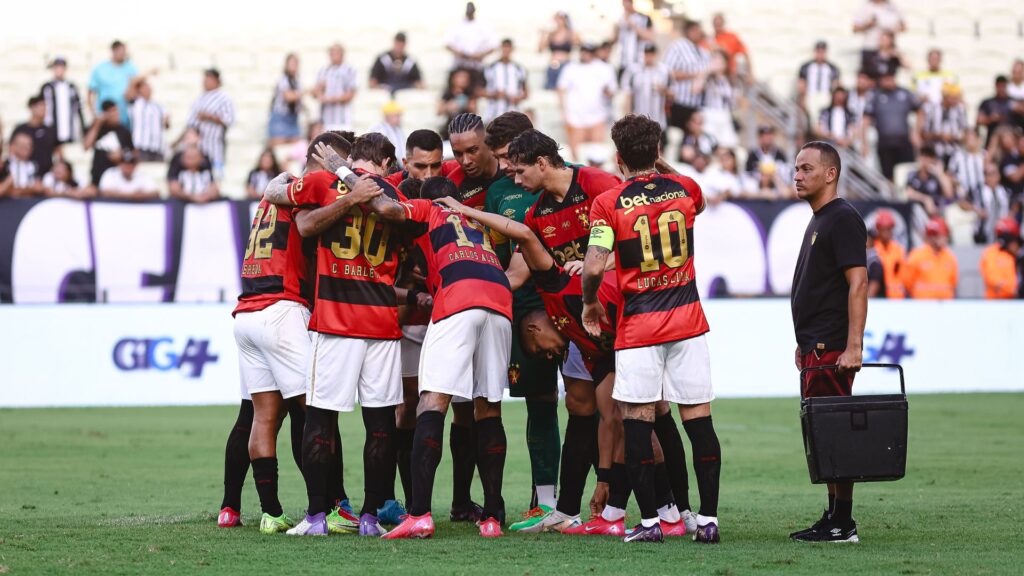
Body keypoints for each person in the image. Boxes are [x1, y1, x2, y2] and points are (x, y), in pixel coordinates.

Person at [582, 114, 720, 543]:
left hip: (640, 327)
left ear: (619, 158)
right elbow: (696, 195)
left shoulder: (608, 202)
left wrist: (589, 302)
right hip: (688, 320)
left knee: (638, 421)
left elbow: (592, 267)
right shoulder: (685, 190)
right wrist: (663, 167)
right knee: (698, 420)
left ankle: (649, 524)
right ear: (658, 152)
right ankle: (709, 520)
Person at [265, 133, 404, 537]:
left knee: (320, 421)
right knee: (380, 425)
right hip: (382, 322)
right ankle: (370, 518)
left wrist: (341, 191)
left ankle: (315, 518)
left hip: (336, 321)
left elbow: (299, 219)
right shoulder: (393, 192)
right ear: (385, 162)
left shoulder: (323, 182)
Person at [231, 133, 364, 535]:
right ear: (326, 159)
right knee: (316, 414)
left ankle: (270, 513)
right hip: (281, 310)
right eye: (345, 162)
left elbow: (278, 192)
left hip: (246, 313)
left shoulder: (270, 198)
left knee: (264, 416)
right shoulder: (317, 186)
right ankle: (329, 508)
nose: (349, 171)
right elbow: (311, 226)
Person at [365, 177, 511, 540]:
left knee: (432, 402)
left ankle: (419, 514)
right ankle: (492, 516)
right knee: (488, 406)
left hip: (458, 298)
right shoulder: (476, 220)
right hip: (499, 299)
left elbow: (387, 209)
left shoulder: (429, 208)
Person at [481, 112, 562, 527]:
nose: (505, 167)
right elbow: (505, 255)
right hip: (520, 305)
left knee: (599, 407)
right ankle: (544, 502)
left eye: (507, 157)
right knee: (539, 401)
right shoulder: (499, 192)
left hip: (560, 305)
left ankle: (625, 500)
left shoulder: (568, 183)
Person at [789, 140, 868, 543]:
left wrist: (854, 345)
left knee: (834, 432)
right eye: (796, 168)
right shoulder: (821, 218)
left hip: (832, 348)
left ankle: (843, 522)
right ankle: (835, 514)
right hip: (815, 348)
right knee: (822, 432)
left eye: (806, 168)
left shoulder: (842, 218)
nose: (797, 175)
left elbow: (858, 283)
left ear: (830, 173)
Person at [557, 43, 617, 161]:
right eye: (583, 51)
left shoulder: (604, 68)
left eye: (588, 51)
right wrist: (563, 111)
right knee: (576, 156)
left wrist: (607, 92)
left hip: (597, 115)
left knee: (597, 153)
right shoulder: (571, 68)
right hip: (575, 116)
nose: (585, 54)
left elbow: (612, 90)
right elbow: (561, 89)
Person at [863, 71, 922, 181]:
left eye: (889, 78)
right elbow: (866, 119)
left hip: (904, 141)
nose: (887, 82)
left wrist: (916, 132)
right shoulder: (875, 95)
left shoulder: (905, 93)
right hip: (885, 142)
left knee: (906, 171)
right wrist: (864, 143)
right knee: (887, 175)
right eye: (885, 79)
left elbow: (920, 110)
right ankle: (891, 197)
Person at [446, 113, 503, 209]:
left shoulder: (514, 172)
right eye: (458, 154)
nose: (466, 161)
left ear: (488, 143)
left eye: (472, 150)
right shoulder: (452, 185)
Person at [665, 20, 710, 141]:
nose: (699, 33)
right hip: (679, 102)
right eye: (696, 30)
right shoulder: (678, 46)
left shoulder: (702, 50)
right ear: (688, 31)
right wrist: (694, 75)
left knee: (692, 140)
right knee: (676, 137)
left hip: (696, 104)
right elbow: (668, 72)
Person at [185, 69, 235, 173]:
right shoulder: (199, 98)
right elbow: (190, 124)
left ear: (217, 81)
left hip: (214, 145)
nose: (205, 82)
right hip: (197, 147)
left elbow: (229, 120)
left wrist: (210, 117)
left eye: (209, 79)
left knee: (215, 173)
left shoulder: (224, 98)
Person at [621, 45, 671, 145]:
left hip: (658, 119)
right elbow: (628, 95)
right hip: (638, 118)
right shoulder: (633, 70)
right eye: (646, 54)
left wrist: (664, 90)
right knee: (639, 148)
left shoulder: (665, 71)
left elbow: (673, 94)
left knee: (657, 150)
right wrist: (628, 119)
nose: (649, 57)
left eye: (651, 54)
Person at [445, 1, 498, 90]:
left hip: (476, 67)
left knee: (476, 92)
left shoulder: (483, 25)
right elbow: (447, 43)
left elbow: (494, 45)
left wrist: (480, 55)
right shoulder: (457, 25)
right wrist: (460, 53)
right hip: (460, 66)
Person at [901, 217, 958, 299]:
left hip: (944, 307)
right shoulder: (917, 256)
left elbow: (953, 283)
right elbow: (907, 283)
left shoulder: (950, 257)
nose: (945, 239)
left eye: (946, 235)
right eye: (942, 235)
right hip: (922, 306)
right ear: (933, 236)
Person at [87, 40, 138, 125]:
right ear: (113, 51)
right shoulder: (100, 69)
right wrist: (93, 113)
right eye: (120, 51)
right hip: (105, 117)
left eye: (124, 51)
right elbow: (90, 92)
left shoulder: (131, 68)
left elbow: (136, 89)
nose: (123, 54)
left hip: (125, 119)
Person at [83, 100, 133, 187]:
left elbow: (133, 152)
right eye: (113, 111)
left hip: (117, 176)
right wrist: (97, 124)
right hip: (98, 173)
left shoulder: (124, 131)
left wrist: (121, 155)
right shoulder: (97, 128)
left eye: (117, 111)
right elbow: (86, 146)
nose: (117, 114)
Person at [40, 56, 86, 145]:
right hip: (51, 131)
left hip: (69, 131)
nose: (59, 70)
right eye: (56, 67)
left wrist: (82, 129)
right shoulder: (47, 87)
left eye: (61, 67)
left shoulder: (71, 87)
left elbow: (78, 108)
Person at [921, 83, 967, 167]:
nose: (956, 100)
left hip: (955, 152)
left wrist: (954, 137)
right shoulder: (931, 109)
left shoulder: (960, 110)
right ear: (945, 97)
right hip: (935, 152)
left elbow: (965, 133)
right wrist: (939, 136)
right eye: (953, 97)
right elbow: (924, 134)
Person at [852, 0, 906, 72]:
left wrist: (894, 29)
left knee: (888, 79)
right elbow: (855, 28)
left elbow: (904, 26)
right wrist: (868, 24)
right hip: (870, 49)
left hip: (888, 50)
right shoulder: (865, 7)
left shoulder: (893, 6)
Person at [314, 44, 358, 131]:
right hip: (326, 119)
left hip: (343, 120)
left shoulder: (349, 70)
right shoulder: (323, 70)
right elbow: (316, 93)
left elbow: (350, 95)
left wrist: (330, 99)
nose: (333, 55)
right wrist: (319, 89)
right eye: (332, 53)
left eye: (336, 52)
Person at [125, 75, 168, 161]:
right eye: (144, 87)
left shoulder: (159, 106)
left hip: (157, 147)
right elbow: (132, 85)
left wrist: (166, 121)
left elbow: (166, 125)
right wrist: (151, 72)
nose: (147, 89)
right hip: (141, 147)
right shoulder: (136, 103)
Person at [483, 39, 528, 122]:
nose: (506, 50)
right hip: (494, 113)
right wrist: (494, 94)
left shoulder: (519, 69)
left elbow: (526, 93)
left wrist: (517, 98)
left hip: (513, 113)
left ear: (512, 49)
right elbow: (480, 91)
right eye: (504, 48)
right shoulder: (490, 68)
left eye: (508, 48)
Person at [12, 95, 57, 175]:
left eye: (45, 106)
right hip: (25, 173)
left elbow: (58, 151)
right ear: (32, 108)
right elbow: (11, 151)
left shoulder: (50, 130)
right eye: (40, 106)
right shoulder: (21, 129)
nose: (44, 109)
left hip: (47, 174)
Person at [905, 145, 954, 218]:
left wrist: (940, 174)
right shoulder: (912, 174)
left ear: (932, 159)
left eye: (928, 157)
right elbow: (909, 193)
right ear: (918, 157)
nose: (925, 160)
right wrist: (926, 199)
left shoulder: (936, 177)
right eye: (923, 156)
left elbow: (949, 195)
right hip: (916, 211)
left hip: (936, 211)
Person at [980, 218, 1022, 299]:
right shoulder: (991, 253)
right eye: (1014, 241)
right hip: (997, 301)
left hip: (1016, 300)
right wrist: (1013, 289)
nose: (1016, 245)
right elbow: (993, 279)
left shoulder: (1017, 256)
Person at [610, 0, 654, 78]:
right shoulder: (621, 18)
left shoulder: (643, 18)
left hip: (638, 61)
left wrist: (632, 25)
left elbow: (650, 36)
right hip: (623, 61)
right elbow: (615, 39)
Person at [268, 54, 303, 146]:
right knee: (278, 148)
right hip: (281, 118)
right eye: (291, 63)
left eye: (295, 64)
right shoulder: (283, 80)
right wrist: (306, 92)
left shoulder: (296, 81)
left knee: (296, 148)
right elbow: (289, 97)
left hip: (293, 119)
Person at [798, 41, 841, 116]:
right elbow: (802, 84)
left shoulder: (832, 68)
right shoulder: (806, 67)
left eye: (822, 52)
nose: (820, 55)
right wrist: (802, 98)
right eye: (818, 52)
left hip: (826, 95)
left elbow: (836, 85)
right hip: (811, 94)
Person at [539, 11, 579, 90]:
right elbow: (540, 49)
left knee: (566, 88)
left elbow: (579, 43)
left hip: (565, 64)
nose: (559, 21)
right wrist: (544, 34)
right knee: (550, 88)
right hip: (553, 64)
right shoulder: (551, 34)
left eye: (561, 19)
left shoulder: (571, 33)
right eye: (557, 19)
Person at [872, 210, 906, 299]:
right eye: (883, 228)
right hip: (878, 296)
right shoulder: (872, 249)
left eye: (889, 228)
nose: (887, 232)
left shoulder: (898, 249)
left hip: (897, 297)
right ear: (878, 229)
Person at [977, 76, 1019, 146]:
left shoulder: (1014, 102)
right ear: (996, 86)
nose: (1001, 89)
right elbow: (979, 120)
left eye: (1003, 86)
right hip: (993, 138)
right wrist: (990, 119)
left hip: (1012, 138)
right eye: (999, 86)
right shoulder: (988, 103)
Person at [438, 69, 477, 140]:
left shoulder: (470, 94)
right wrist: (449, 106)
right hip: (449, 127)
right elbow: (439, 111)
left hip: (465, 129)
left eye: (465, 77)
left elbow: (474, 111)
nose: (463, 80)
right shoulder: (447, 94)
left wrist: (462, 103)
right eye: (460, 77)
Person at [0, 133, 43, 198]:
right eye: (23, 145)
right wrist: (30, 189)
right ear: (12, 146)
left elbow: (39, 188)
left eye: (29, 145)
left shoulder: (34, 166)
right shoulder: (4, 165)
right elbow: (8, 191)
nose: (27, 148)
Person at [711, 13, 750, 82]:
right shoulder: (710, 39)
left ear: (723, 23)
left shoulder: (732, 36)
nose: (718, 26)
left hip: (731, 74)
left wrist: (750, 73)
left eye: (719, 24)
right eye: (716, 24)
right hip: (715, 76)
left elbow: (746, 54)